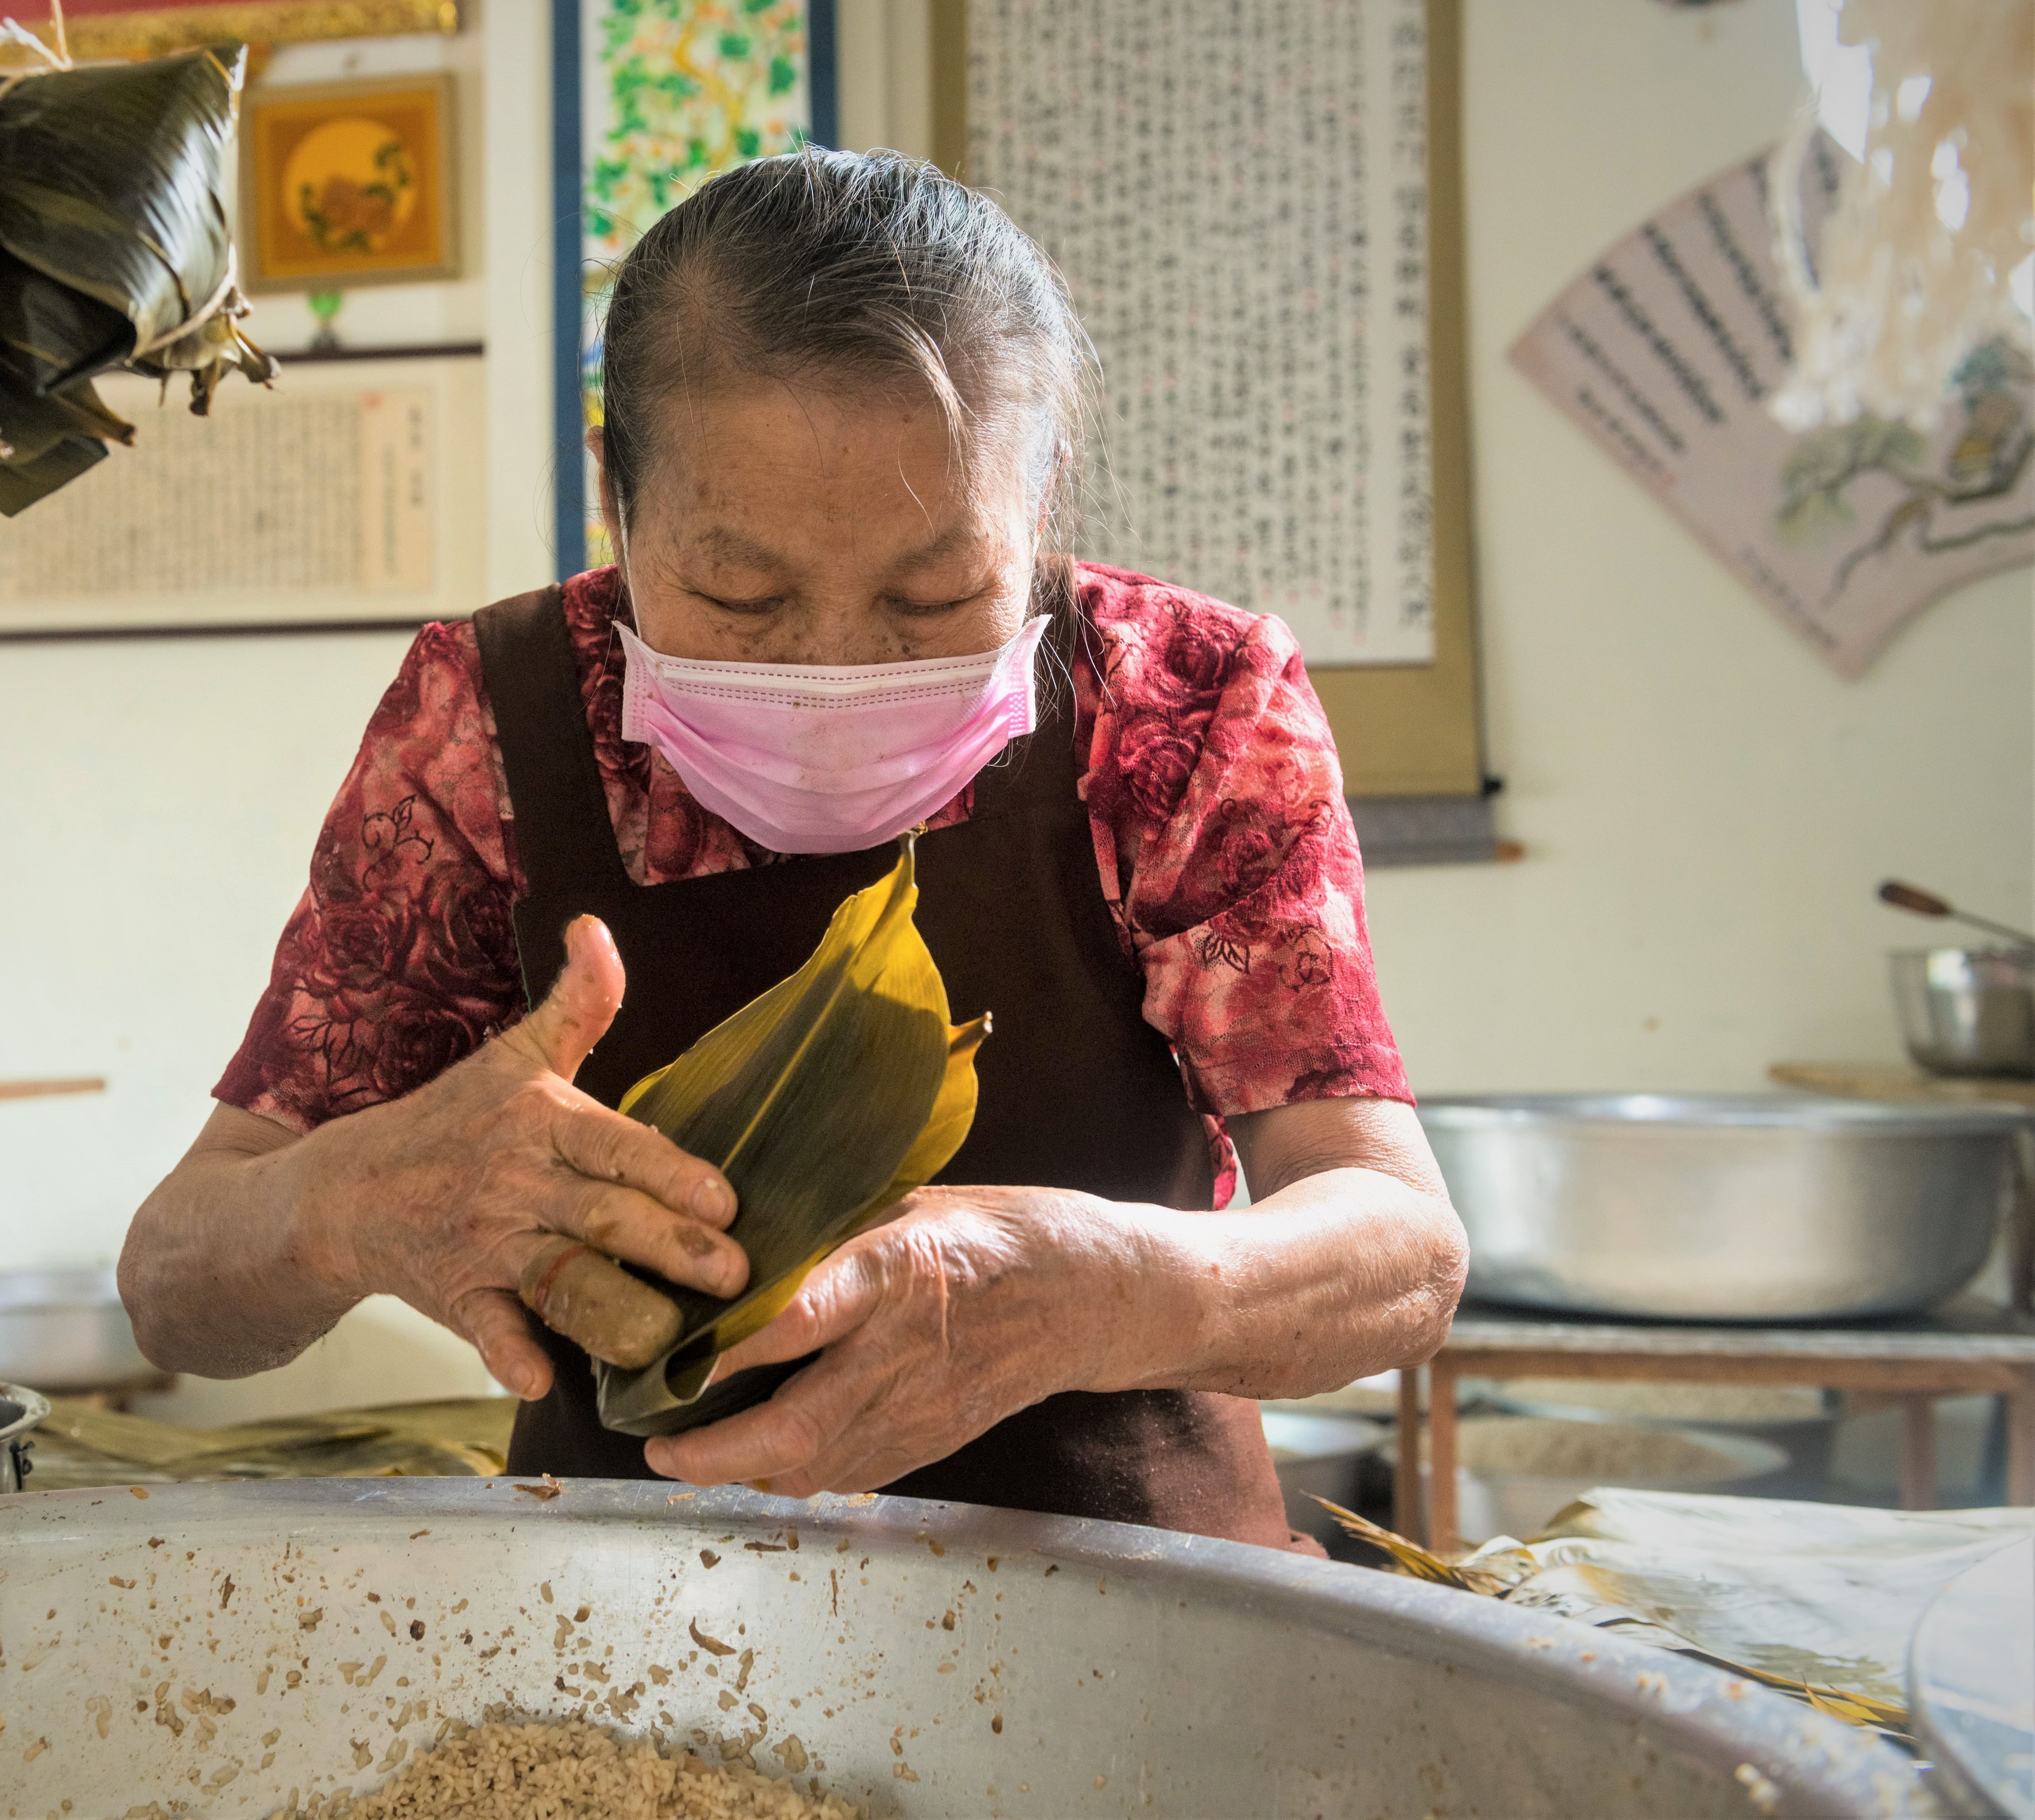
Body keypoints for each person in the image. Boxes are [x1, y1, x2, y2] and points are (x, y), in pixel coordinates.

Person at [121, 150, 1464, 1549]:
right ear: (616, 493)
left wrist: (1091, 1287)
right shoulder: (486, 728)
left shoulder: (1184, 703)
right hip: (623, 1632)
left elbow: (1400, 1251)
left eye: (937, 596)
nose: (838, 669)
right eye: (739, 596)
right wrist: (350, 1202)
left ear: (1044, 495)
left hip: (1138, 1612)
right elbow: (176, 1285)